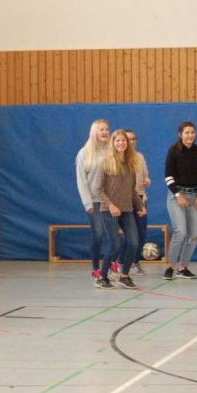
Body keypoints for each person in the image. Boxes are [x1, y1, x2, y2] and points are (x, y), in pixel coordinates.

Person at [96, 130, 146, 290]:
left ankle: (124, 276)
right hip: (108, 210)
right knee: (115, 245)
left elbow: (132, 191)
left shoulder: (131, 164)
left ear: (128, 143)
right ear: (113, 143)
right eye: (117, 140)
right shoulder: (105, 163)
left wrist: (141, 206)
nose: (121, 143)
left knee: (133, 243)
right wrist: (111, 205)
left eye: (123, 140)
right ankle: (102, 277)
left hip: (127, 210)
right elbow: (98, 189)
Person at [163, 121, 197, 280]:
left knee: (193, 235)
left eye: (192, 132)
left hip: (194, 196)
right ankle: (170, 266)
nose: (190, 135)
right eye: (187, 133)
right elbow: (168, 176)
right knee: (180, 231)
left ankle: (183, 267)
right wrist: (178, 195)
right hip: (176, 196)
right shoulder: (173, 151)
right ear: (180, 135)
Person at [75, 119, 110, 285]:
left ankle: (111, 266)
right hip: (94, 201)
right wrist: (87, 203)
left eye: (106, 129)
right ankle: (96, 268)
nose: (105, 132)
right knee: (98, 233)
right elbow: (81, 180)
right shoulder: (84, 153)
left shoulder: (112, 150)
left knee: (116, 236)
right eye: (101, 129)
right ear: (94, 132)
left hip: (110, 201)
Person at [126, 129, 150, 276]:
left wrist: (147, 181)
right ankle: (122, 263)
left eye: (134, 139)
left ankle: (135, 262)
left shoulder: (140, 157)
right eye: (128, 139)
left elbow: (146, 176)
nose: (131, 142)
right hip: (124, 200)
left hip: (140, 198)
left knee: (141, 232)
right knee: (126, 234)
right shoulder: (118, 158)